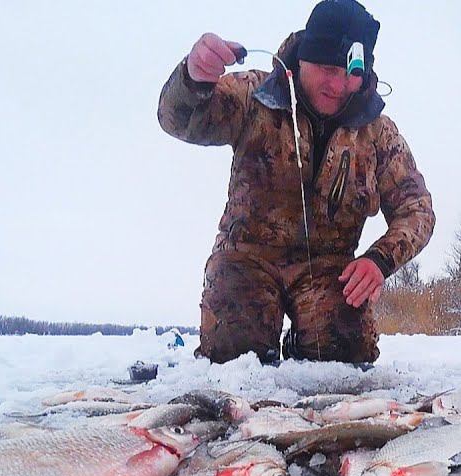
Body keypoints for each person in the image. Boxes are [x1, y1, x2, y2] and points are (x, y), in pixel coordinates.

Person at [158, 0, 434, 365]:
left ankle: (302, 348)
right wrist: (193, 79)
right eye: (325, 68)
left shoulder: (379, 134)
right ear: (302, 58)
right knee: (234, 353)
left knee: (344, 357)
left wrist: (379, 261)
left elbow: (417, 211)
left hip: (327, 270)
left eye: (349, 72)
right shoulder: (253, 95)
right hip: (247, 259)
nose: (337, 85)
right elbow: (176, 119)